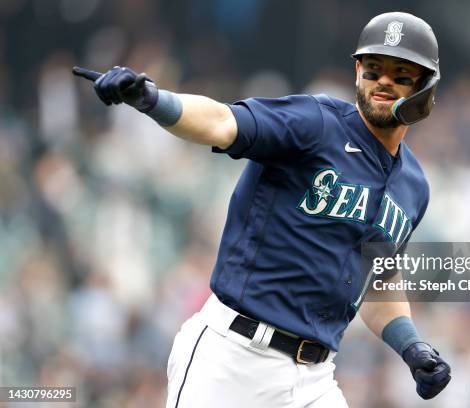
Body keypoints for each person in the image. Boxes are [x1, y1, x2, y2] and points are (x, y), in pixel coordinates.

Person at [74, 11, 451, 408]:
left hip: (315, 378)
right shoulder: (316, 123)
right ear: (357, 72)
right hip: (233, 358)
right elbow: (223, 122)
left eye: (401, 73)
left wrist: (411, 346)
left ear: (426, 87)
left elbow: (377, 279)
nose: (384, 82)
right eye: (373, 69)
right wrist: (152, 100)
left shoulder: (414, 186)